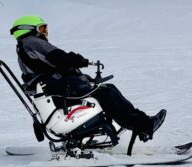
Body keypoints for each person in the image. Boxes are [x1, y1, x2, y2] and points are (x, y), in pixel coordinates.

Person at [10, 15, 166, 142]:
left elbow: (50, 66)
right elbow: (59, 57)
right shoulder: (32, 42)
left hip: (54, 90)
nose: (45, 32)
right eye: (42, 28)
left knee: (108, 89)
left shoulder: (24, 47)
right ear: (29, 29)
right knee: (107, 93)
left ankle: (136, 124)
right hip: (59, 91)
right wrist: (77, 60)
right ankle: (145, 125)